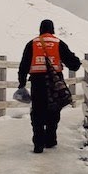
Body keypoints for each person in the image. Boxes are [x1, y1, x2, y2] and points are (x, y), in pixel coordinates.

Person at [18, 19, 82, 153]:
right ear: (52, 29)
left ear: (40, 29)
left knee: (37, 112)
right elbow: (74, 64)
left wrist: (22, 82)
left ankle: (38, 143)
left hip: (37, 82)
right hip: (55, 82)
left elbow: (24, 65)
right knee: (54, 109)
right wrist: (75, 61)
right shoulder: (58, 43)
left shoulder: (32, 43)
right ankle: (50, 139)